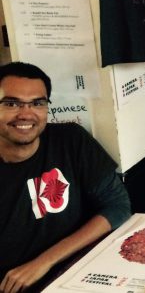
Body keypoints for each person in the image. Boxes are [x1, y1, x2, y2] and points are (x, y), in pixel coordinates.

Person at [0, 62, 131, 292]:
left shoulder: (70, 139)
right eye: (11, 103)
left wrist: (44, 261)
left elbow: (118, 206)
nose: (26, 114)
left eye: (37, 103)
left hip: (79, 269)